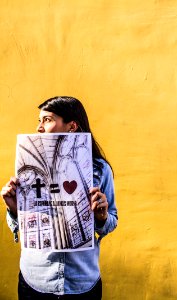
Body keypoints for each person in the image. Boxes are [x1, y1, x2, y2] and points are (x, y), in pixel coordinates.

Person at [1, 96, 118, 300]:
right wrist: (14, 210)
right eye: (39, 120)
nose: (39, 127)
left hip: (81, 281)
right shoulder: (28, 168)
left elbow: (111, 221)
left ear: (71, 126)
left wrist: (102, 217)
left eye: (46, 119)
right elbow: (25, 226)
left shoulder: (99, 169)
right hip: (36, 279)